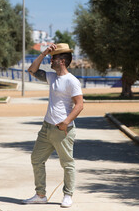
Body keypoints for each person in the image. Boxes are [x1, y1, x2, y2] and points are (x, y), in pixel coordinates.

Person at [22, 43, 83, 208]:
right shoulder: (52, 77)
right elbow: (32, 70)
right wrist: (43, 54)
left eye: (53, 57)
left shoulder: (72, 81)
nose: (50, 60)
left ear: (62, 61)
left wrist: (66, 122)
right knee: (36, 159)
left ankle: (68, 195)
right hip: (46, 128)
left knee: (67, 163)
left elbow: (79, 105)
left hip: (62, 129)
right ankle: (40, 195)